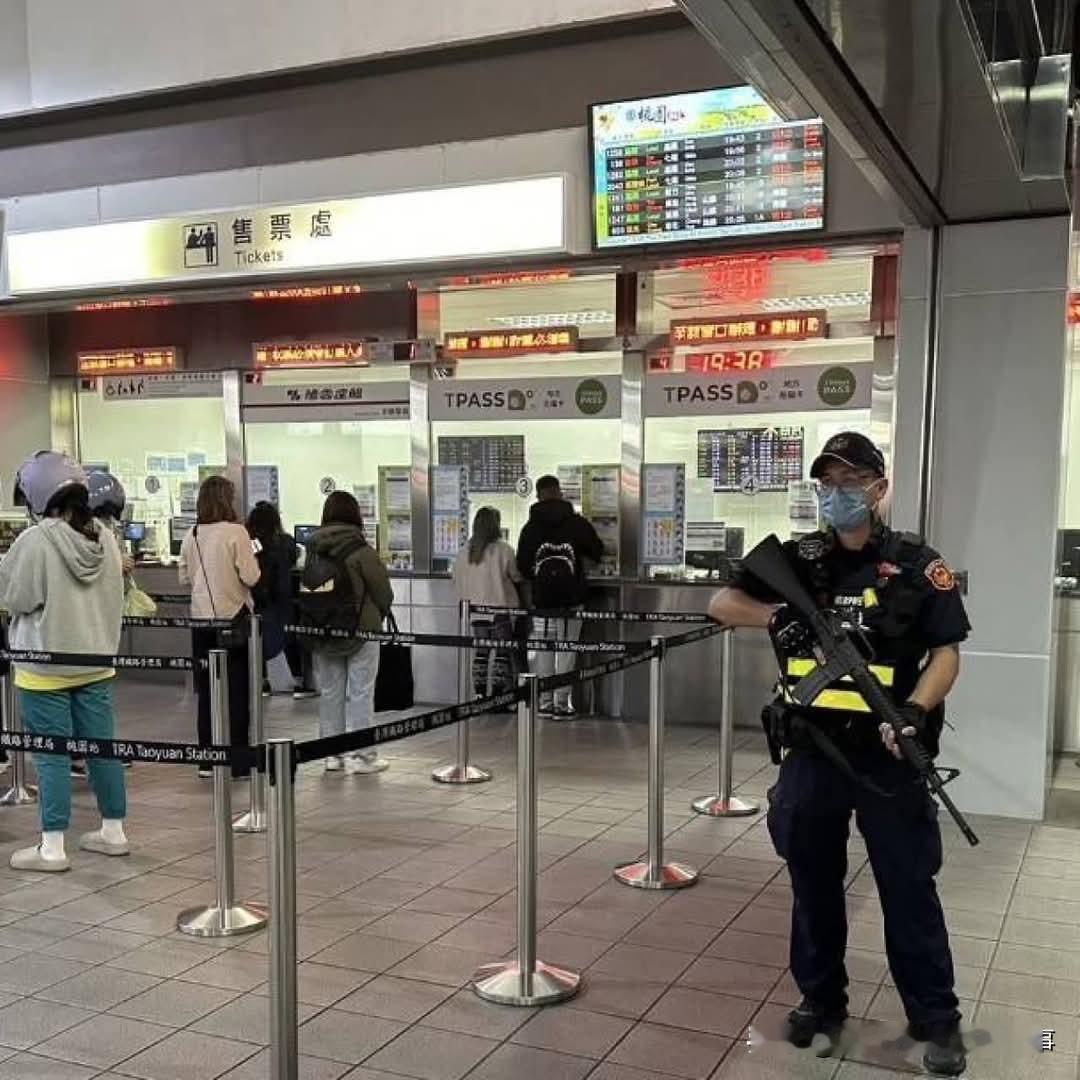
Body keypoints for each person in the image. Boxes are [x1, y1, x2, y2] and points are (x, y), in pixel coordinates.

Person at [708, 432, 969, 1077]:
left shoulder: (916, 564)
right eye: (827, 482)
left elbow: (946, 651)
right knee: (813, 884)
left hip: (888, 758)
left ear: (878, 488)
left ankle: (936, 1019)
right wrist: (772, 616)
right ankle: (821, 1003)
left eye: (850, 482)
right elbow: (721, 603)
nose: (837, 494)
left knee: (908, 886)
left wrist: (912, 713)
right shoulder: (800, 558)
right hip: (815, 750)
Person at [0, 452, 128, 871]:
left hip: (44, 667)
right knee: (101, 749)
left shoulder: (35, 541)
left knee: (51, 755)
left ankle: (52, 846)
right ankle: (114, 830)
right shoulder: (104, 537)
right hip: (96, 661)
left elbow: (16, 599)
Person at [305, 491, 393, 774]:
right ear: (355, 515)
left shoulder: (313, 549)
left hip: (323, 629)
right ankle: (364, 755)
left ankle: (332, 755)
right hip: (361, 631)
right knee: (361, 693)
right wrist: (375, 612)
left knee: (330, 692)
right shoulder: (361, 551)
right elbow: (384, 592)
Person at [179, 475, 261, 779]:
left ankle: (207, 759)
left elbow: (184, 577)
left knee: (207, 693)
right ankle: (239, 761)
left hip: (201, 621)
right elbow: (251, 577)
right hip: (233, 619)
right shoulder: (236, 532)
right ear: (228, 499)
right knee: (238, 693)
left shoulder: (193, 533)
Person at [516, 475, 603, 718]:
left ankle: (544, 701)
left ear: (538, 495)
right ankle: (562, 703)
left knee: (544, 648)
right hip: (571, 601)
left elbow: (522, 565)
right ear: (560, 492)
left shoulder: (530, 528)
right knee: (567, 649)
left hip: (542, 601)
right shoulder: (577, 524)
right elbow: (597, 551)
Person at [453, 506, 523, 699]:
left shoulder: (464, 552)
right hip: (500, 609)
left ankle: (480, 696)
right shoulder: (504, 550)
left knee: (481, 652)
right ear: (496, 525)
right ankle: (498, 696)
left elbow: (456, 581)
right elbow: (516, 577)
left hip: (476, 612)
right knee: (502, 651)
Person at [245, 501, 302, 695]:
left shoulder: (250, 542)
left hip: (258, 596)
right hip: (281, 597)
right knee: (283, 638)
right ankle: (291, 680)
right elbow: (295, 555)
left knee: (259, 639)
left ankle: (261, 680)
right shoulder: (284, 541)